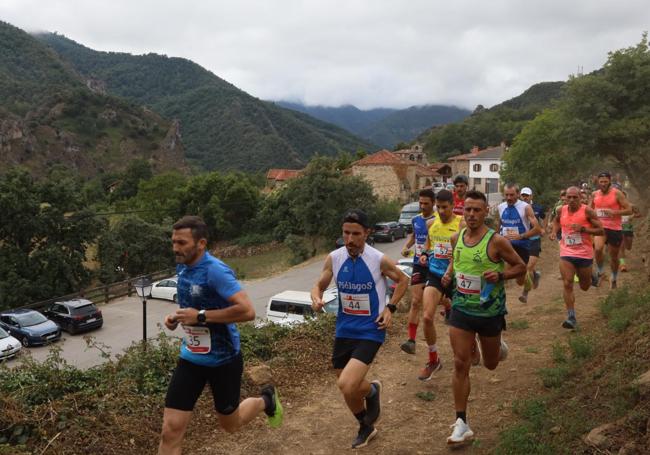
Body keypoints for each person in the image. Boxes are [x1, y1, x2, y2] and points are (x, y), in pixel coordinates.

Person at [159, 216, 283, 455]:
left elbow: (248, 311)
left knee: (231, 425)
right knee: (170, 430)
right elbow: (194, 308)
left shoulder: (216, 271)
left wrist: (201, 317)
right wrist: (176, 318)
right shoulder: (182, 266)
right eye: (173, 241)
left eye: (182, 243)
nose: (175, 248)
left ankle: (266, 400)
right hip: (191, 359)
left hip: (223, 360)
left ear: (201, 243)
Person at [311, 209, 409, 449]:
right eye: (346, 233)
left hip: (370, 329)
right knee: (348, 389)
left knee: (347, 383)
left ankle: (372, 391)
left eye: (356, 234)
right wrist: (315, 298)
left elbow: (403, 280)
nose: (350, 239)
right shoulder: (334, 258)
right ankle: (365, 425)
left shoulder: (378, 259)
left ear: (367, 233)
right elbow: (319, 285)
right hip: (344, 329)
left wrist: (390, 309)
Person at [442, 190, 526, 446]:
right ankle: (461, 423)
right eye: (467, 209)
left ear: (486, 212)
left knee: (490, 364)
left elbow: (520, 266)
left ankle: (497, 346)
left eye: (477, 210)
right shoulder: (457, 238)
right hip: (461, 311)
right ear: (462, 211)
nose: (471, 214)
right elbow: (456, 263)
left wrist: (500, 276)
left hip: (489, 313)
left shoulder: (496, 241)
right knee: (459, 363)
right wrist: (448, 275)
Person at [416, 189, 463, 380]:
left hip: (457, 277)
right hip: (435, 275)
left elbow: (461, 251)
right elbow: (429, 245)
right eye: (439, 207)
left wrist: (450, 271)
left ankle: (473, 343)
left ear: (452, 205)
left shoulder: (462, 223)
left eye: (445, 207)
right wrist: (425, 255)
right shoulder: (431, 224)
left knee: (463, 323)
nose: (441, 211)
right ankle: (434, 359)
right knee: (427, 317)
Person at [550, 187, 604, 329]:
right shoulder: (561, 210)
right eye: (569, 197)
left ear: (580, 197)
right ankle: (571, 316)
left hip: (584, 253)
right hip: (566, 252)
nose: (572, 200)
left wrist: (584, 229)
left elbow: (601, 229)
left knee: (584, 287)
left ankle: (591, 275)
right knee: (567, 283)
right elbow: (556, 221)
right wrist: (554, 232)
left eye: (575, 197)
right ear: (565, 198)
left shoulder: (587, 211)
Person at [400, 189, 437, 355]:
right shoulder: (415, 220)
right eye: (420, 203)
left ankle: (450, 307)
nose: (422, 206)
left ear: (433, 203)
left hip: (435, 264)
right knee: (415, 301)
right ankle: (411, 340)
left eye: (426, 203)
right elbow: (415, 237)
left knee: (439, 300)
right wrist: (406, 247)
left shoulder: (438, 221)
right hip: (418, 264)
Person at [495, 184, 542, 297]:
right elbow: (499, 224)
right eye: (507, 195)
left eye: (512, 195)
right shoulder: (501, 207)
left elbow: (537, 229)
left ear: (517, 194)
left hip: (522, 246)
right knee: (501, 273)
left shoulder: (525, 207)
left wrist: (521, 236)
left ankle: (534, 275)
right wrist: (495, 237)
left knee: (519, 281)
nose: (509, 197)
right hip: (505, 246)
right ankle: (496, 299)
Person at [590, 171, 632, 289]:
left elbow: (629, 210)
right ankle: (600, 271)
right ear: (598, 182)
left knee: (614, 257)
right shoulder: (594, 194)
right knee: (598, 249)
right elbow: (588, 210)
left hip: (614, 228)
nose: (603, 184)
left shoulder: (617, 194)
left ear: (610, 182)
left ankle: (614, 277)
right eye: (601, 182)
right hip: (600, 227)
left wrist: (615, 212)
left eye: (605, 182)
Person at [518, 187, 545, 303]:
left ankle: (525, 293)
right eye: (523, 195)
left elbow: (544, 217)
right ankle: (536, 275)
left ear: (531, 196)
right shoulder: (517, 208)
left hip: (534, 240)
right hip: (522, 241)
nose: (525, 197)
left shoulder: (538, 208)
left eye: (527, 195)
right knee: (525, 267)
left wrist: (543, 228)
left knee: (528, 267)